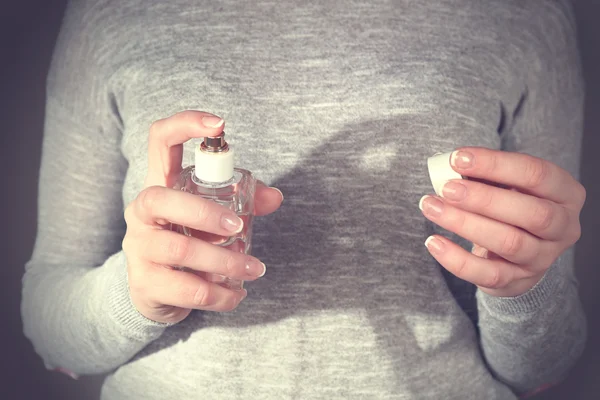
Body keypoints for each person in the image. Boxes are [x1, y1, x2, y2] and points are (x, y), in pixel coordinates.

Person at [22, 0, 587, 399]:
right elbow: (51, 327)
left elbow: (544, 368)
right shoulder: (113, 12)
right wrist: (137, 296)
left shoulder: (523, 15)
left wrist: (524, 289)